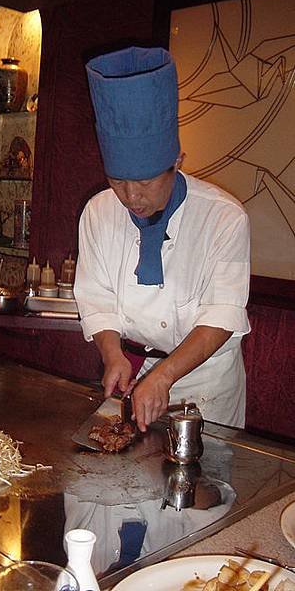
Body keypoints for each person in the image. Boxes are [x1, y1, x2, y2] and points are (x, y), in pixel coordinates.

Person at [74, 46, 250, 432]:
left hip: (204, 386)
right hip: (132, 372)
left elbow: (223, 314)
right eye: (118, 182)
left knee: (201, 486)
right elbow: (96, 298)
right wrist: (112, 354)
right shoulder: (98, 212)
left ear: (177, 163)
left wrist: (166, 375)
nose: (131, 197)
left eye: (145, 182)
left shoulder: (224, 217)